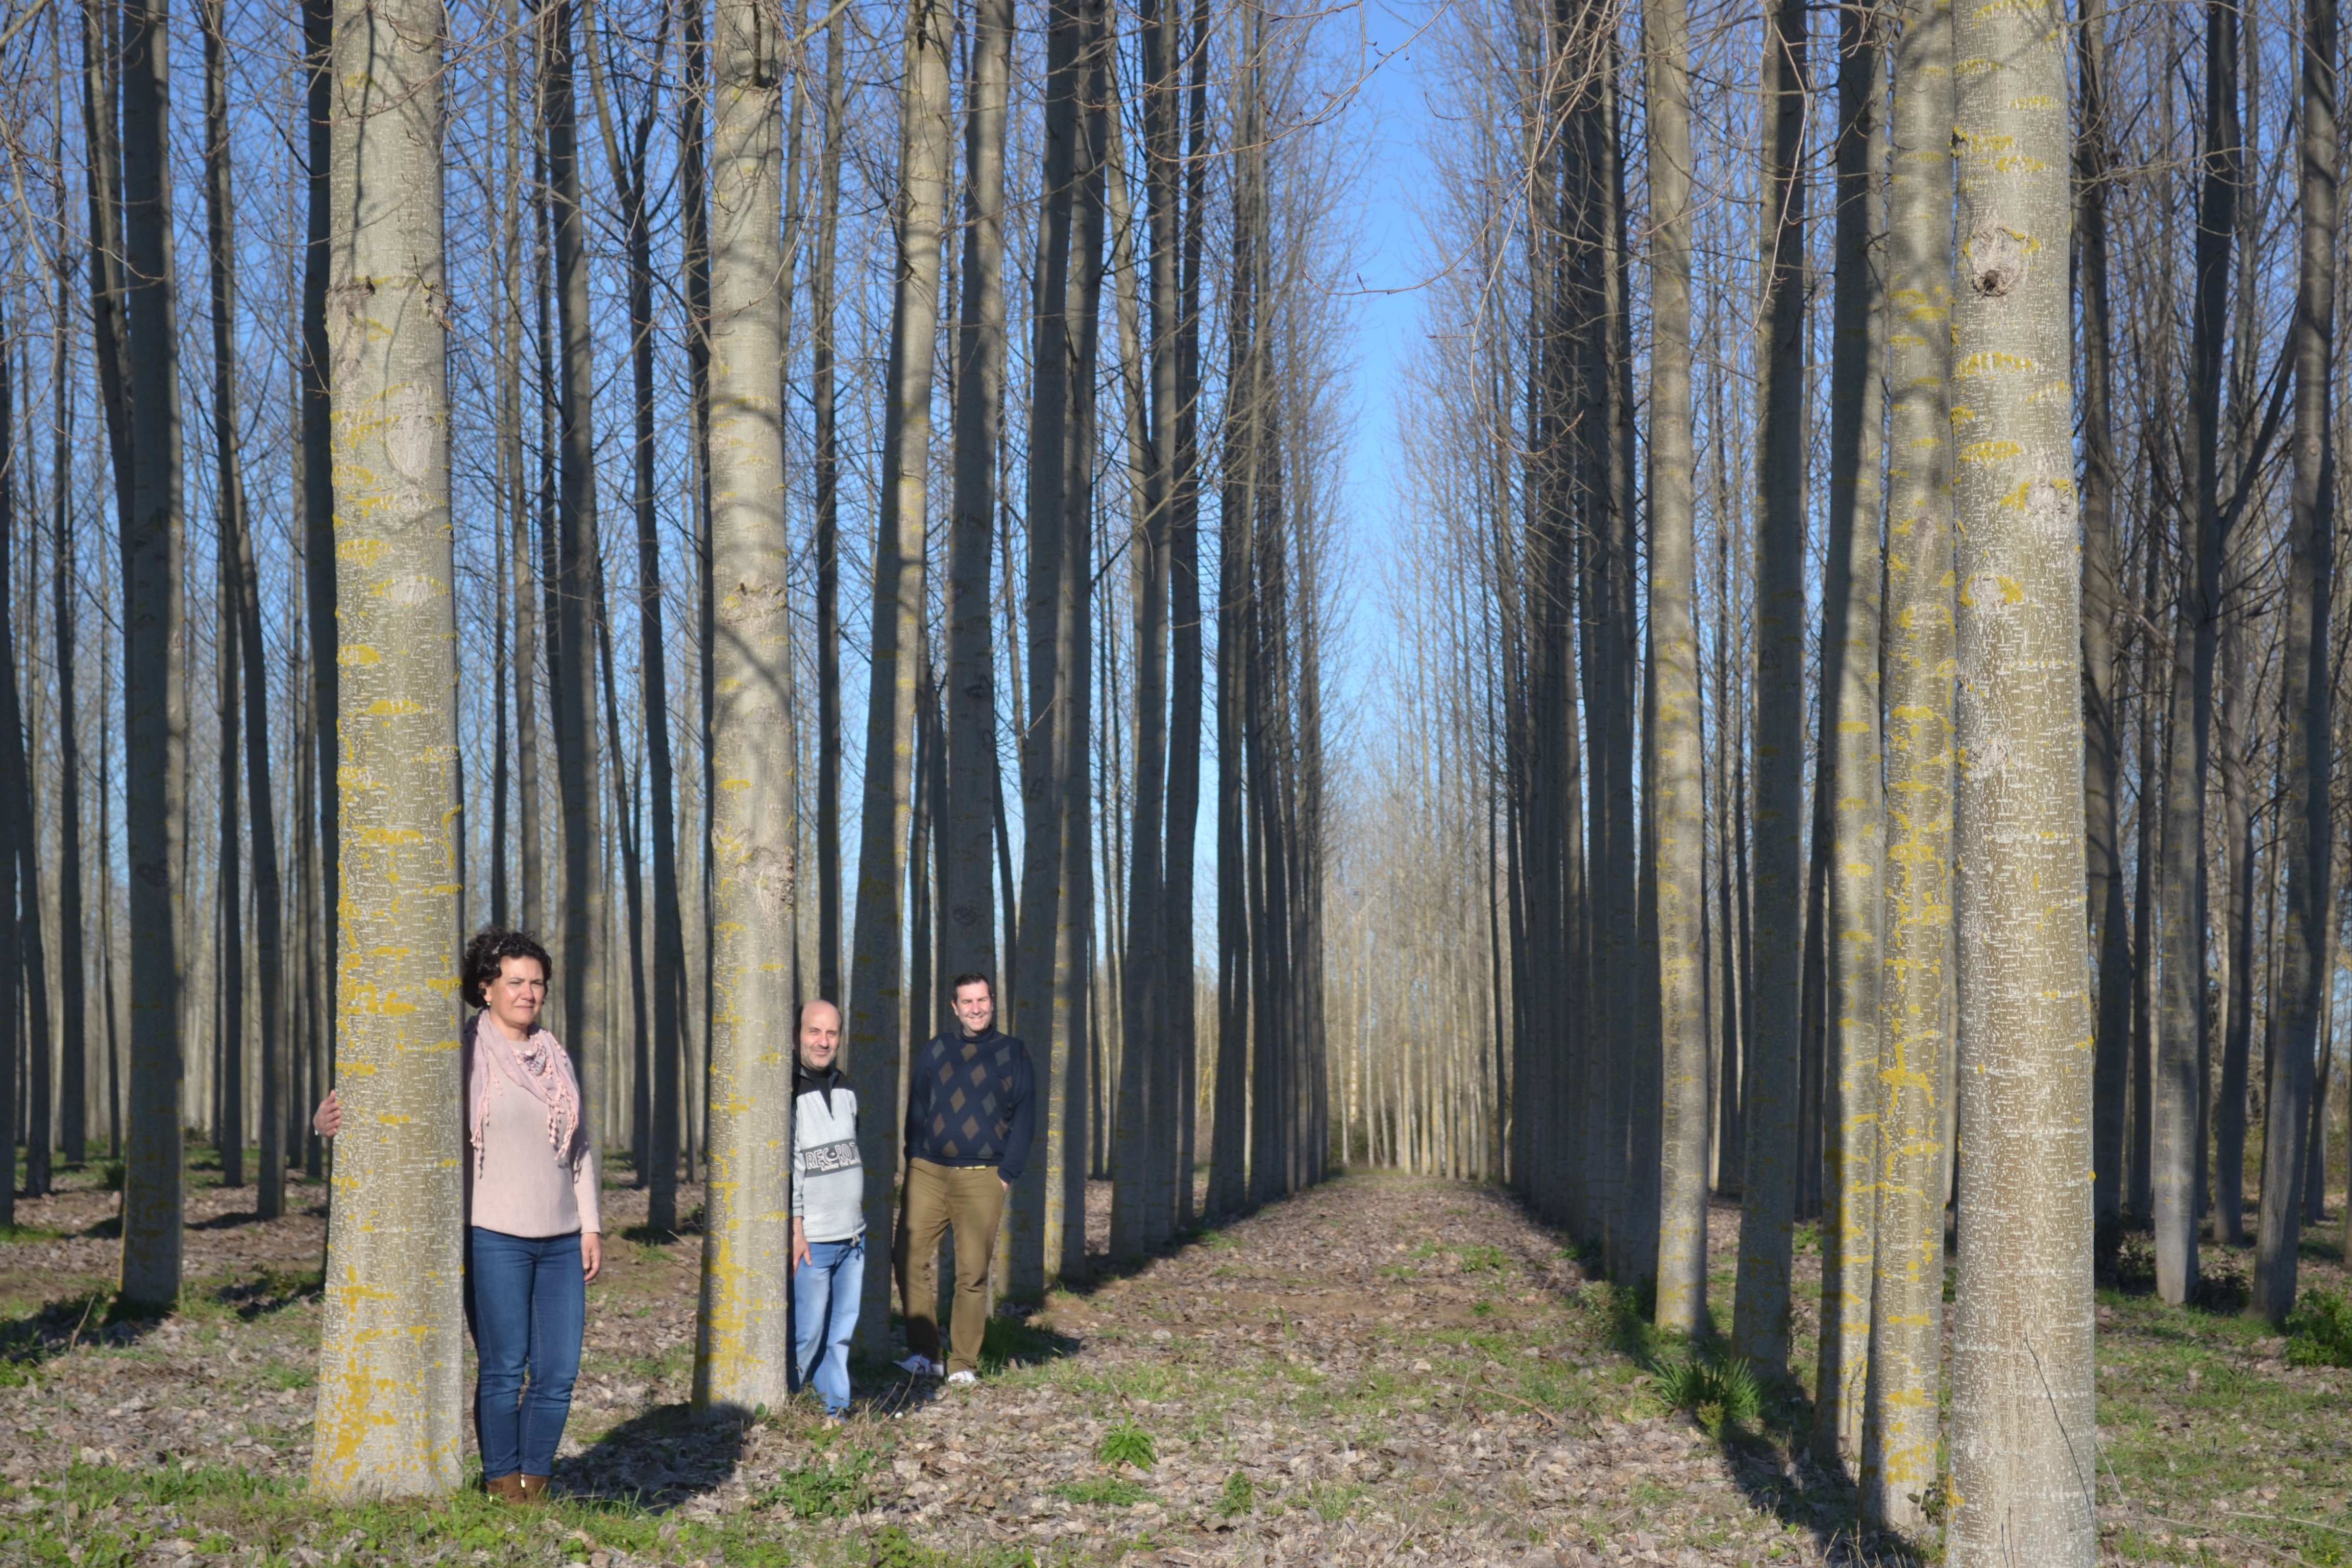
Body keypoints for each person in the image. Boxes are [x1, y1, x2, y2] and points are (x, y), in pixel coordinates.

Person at [313, 927, 600, 1503]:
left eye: (537, 983)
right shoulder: (462, 1055)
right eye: (515, 982)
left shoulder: (555, 1055)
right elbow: (403, 1107)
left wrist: (591, 1224)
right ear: (485, 988)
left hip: (563, 1237)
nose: (528, 993)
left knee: (558, 1373)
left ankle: (535, 1483)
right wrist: (330, 1123)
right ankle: (502, 1485)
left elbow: (579, 1147)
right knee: (503, 1367)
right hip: (493, 1234)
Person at [895, 972, 1036, 1384]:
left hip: (982, 1177)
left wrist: (1006, 1174)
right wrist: (913, 1157)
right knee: (907, 1257)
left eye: (983, 1000)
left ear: (993, 1002)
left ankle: (962, 1364)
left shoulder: (1014, 1053)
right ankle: (926, 1354)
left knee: (971, 1274)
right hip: (928, 1173)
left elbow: (1026, 1118)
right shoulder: (937, 1049)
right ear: (955, 1007)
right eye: (967, 1002)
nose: (976, 1009)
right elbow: (917, 1108)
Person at [788, 999, 863, 1420]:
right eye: (814, 1032)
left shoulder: (848, 1088)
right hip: (813, 1238)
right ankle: (791, 1408)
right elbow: (791, 1169)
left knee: (840, 1336)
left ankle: (835, 1412)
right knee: (808, 1334)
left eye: (832, 1033)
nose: (823, 1041)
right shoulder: (790, 1093)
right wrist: (796, 1228)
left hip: (853, 1237)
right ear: (798, 1034)